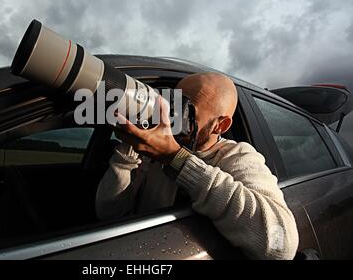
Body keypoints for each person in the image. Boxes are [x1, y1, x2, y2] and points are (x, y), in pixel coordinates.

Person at [95, 72, 299, 260]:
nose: (173, 116)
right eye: (172, 103)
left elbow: (282, 248)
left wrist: (175, 157)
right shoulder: (153, 151)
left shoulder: (236, 156)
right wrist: (130, 148)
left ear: (220, 125)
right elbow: (109, 214)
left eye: (186, 109)